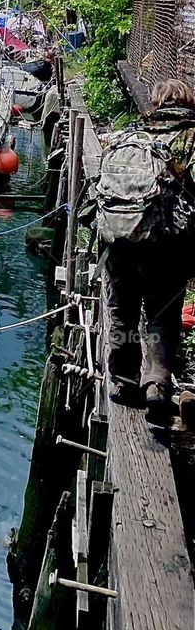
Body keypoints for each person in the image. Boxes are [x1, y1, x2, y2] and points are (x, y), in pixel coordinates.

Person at [104, 79, 195, 424]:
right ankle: (157, 385)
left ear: (155, 104)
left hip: (121, 240)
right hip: (168, 249)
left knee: (122, 312)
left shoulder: (131, 136)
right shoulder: (190, 139)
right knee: (161, 316)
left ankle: (122, 384)